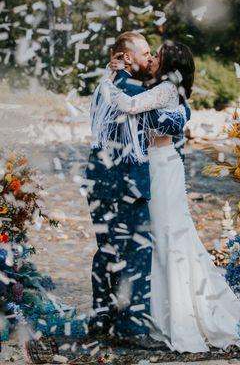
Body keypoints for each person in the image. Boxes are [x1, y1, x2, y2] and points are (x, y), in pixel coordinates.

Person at [107, 40, 240, 353]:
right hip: (159, 166)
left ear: (169, 64)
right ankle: (155, 310)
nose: (152, 58)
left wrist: (110, 80)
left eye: (158, 55)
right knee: (162, 236)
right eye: (151, 53)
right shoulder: (163, 88)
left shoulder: (166, 88)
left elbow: (128, 106)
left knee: (166, 236)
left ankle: (172, 314)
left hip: (161, 167)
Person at [84, 32, 189, 347]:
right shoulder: (131, 91)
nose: (150, 59)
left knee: (107, 249)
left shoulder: (106, 87)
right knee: (138, 252)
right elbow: (171, 125)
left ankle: (102, 317)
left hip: (98, 179)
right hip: (126, 181)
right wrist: (183, 112)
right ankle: (133, 328)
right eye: (145, 53)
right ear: (127, 57)